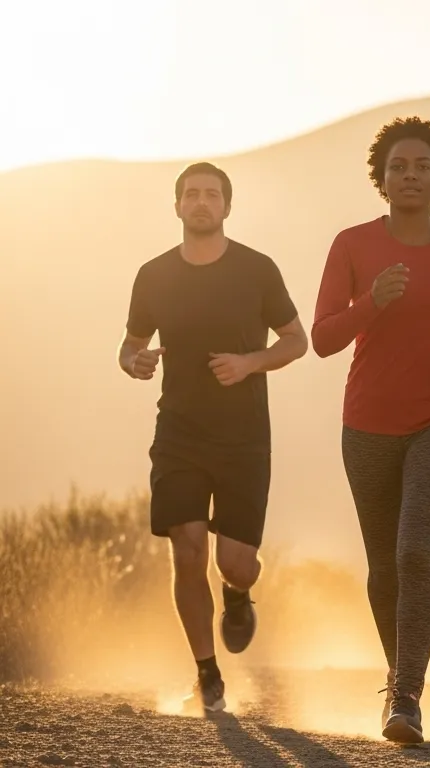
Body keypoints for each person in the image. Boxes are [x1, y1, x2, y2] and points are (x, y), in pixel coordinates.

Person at [311, 116, 430, 743]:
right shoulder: (352, 245)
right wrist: (372, 303)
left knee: (416, 550)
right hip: (366, 423)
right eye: (398, 167)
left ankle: (406, 698)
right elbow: (323, 339)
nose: (410, 176)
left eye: (422, 167)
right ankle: (398, 672)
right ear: (381, 179)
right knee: (384, 567)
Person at [119, 162, 307, 713]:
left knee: (234, 561)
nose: (202, 202)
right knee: (187, 548)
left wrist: (250, 362)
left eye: (212, 195)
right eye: (192, 194)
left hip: (244, 437)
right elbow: (128, 346)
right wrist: (136, 362)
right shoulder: (152, 275)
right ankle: (207, 676)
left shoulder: (256, 270)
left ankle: (239, 593)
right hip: (177, 430)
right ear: (177, 206)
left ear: (227, 206)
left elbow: (296, 341)